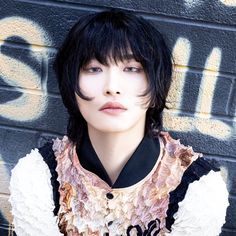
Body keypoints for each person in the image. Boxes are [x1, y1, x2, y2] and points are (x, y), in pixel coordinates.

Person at [9, 9, 229, 236]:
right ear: (71, 86)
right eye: (94, 69)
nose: (112, 86)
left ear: (156, 87)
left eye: (132, 69)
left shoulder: (198, 186)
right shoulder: (38, 174)